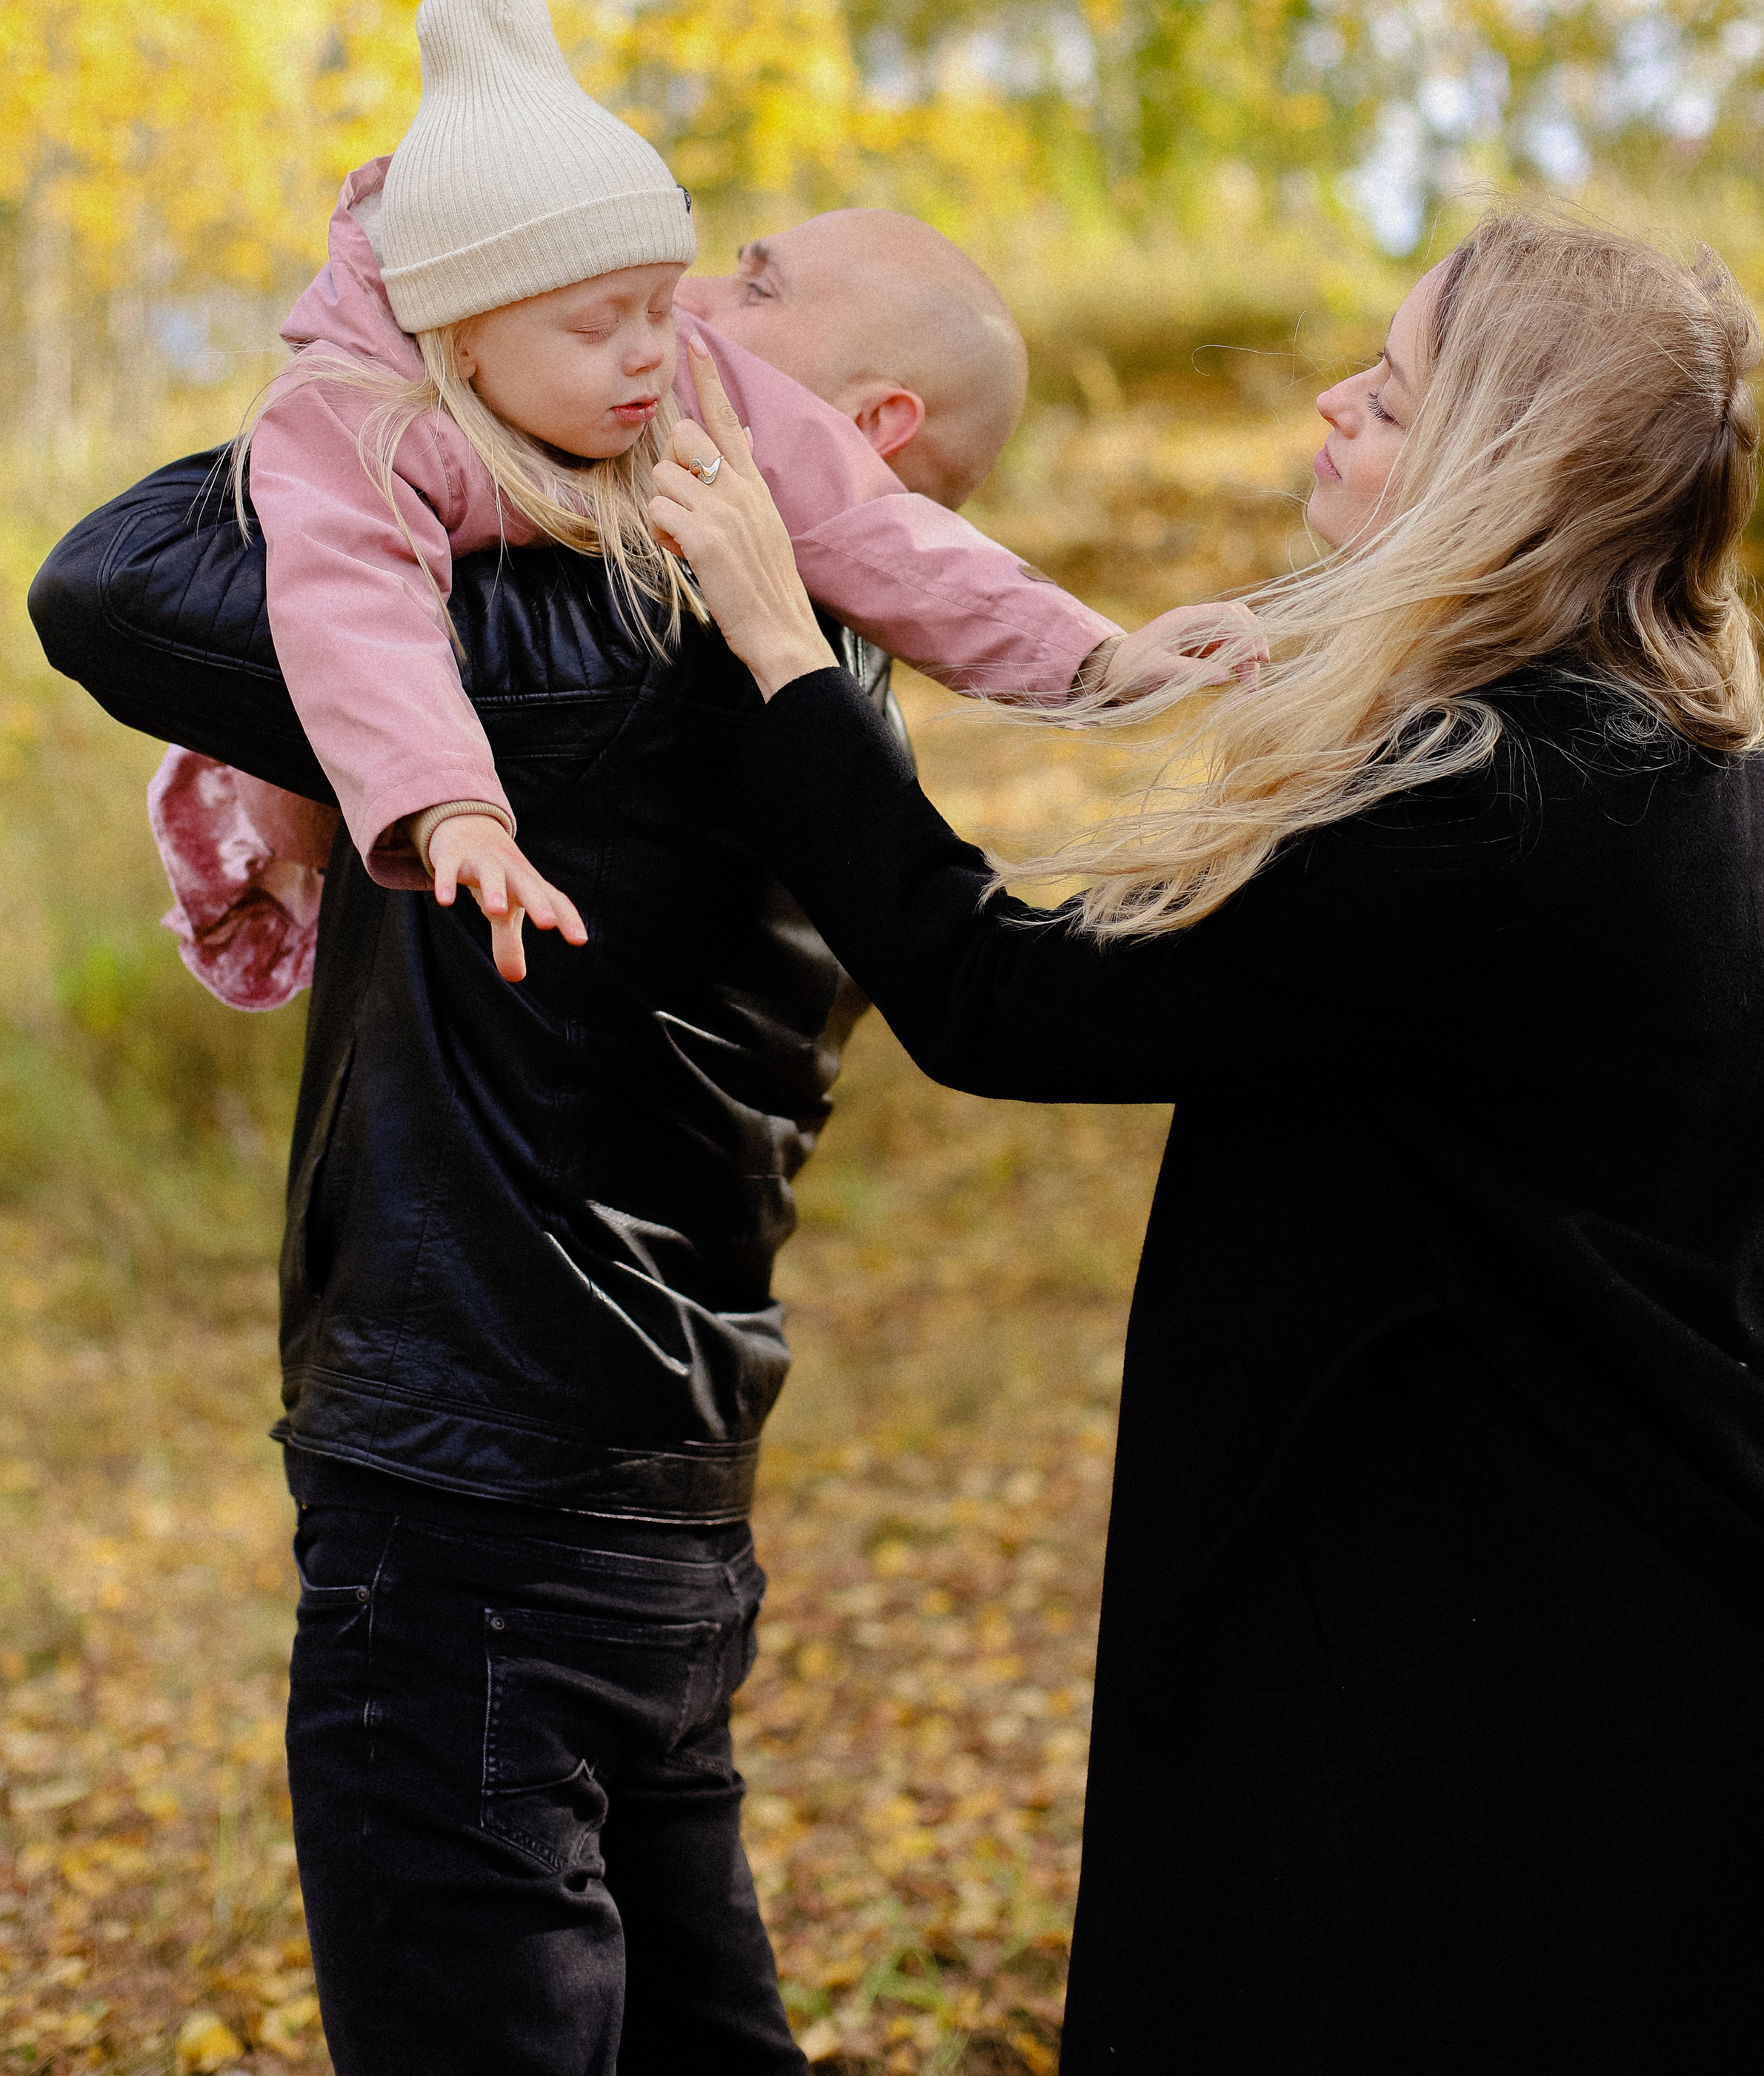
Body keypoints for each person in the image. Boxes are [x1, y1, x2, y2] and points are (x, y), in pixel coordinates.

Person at [28, 0, 1255, 2075]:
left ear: (863, 439)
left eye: (751, 294)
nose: (688, 328)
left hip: (475, 1489)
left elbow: (114, 573)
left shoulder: (590, 641)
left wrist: (388, 368)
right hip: (662, 1494)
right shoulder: (823, 718)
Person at [648, 205, 1764, 2075]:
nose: (1333, 403)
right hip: (1603, 1618)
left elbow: (1008, 1002)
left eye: (1392, 398)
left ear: (1504, 467)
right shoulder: (1679, 766)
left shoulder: (1494, 805)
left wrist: (777, 646)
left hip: (1491, 1666)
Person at [207, 0, 1238, 998]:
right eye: (607, 322)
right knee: (282, 798)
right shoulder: (358, 415)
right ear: (464, 335)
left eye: (674, 296)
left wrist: (1093, 661)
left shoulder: (682, 393)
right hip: (335, 755)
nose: (668, 337)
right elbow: (355, 602)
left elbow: (876, 525)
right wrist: (450, 801)